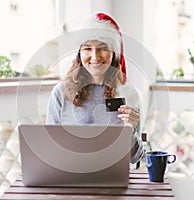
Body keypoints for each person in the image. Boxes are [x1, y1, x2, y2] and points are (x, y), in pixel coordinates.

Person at [46, 13, 144, 164]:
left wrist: (129, 129)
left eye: (103, 48)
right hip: (70, 175)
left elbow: (135, 158)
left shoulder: (129, 94)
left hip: (113, 178)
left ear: (114, 53)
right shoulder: (60, 93)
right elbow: (50, 148)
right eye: (87, 48)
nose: (95, 56)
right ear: (79, 53)